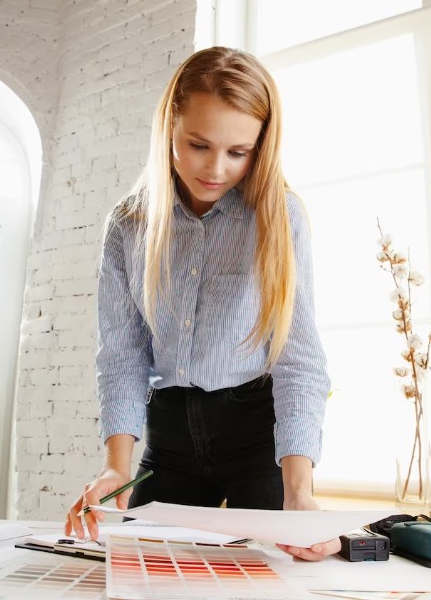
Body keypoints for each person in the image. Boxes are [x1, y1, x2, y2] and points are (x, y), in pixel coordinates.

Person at [64, 46, 338, 561]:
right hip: (169, 439)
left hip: (257, 437)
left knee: (272, 575)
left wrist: (298, 492)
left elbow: (298, 359)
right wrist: (117, 469)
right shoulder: (129, 224)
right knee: (138, 570)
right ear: (169, 126)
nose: (216, 169)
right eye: (198, 145)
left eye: (239, 152)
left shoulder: (279, 217)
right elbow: (122, 354)